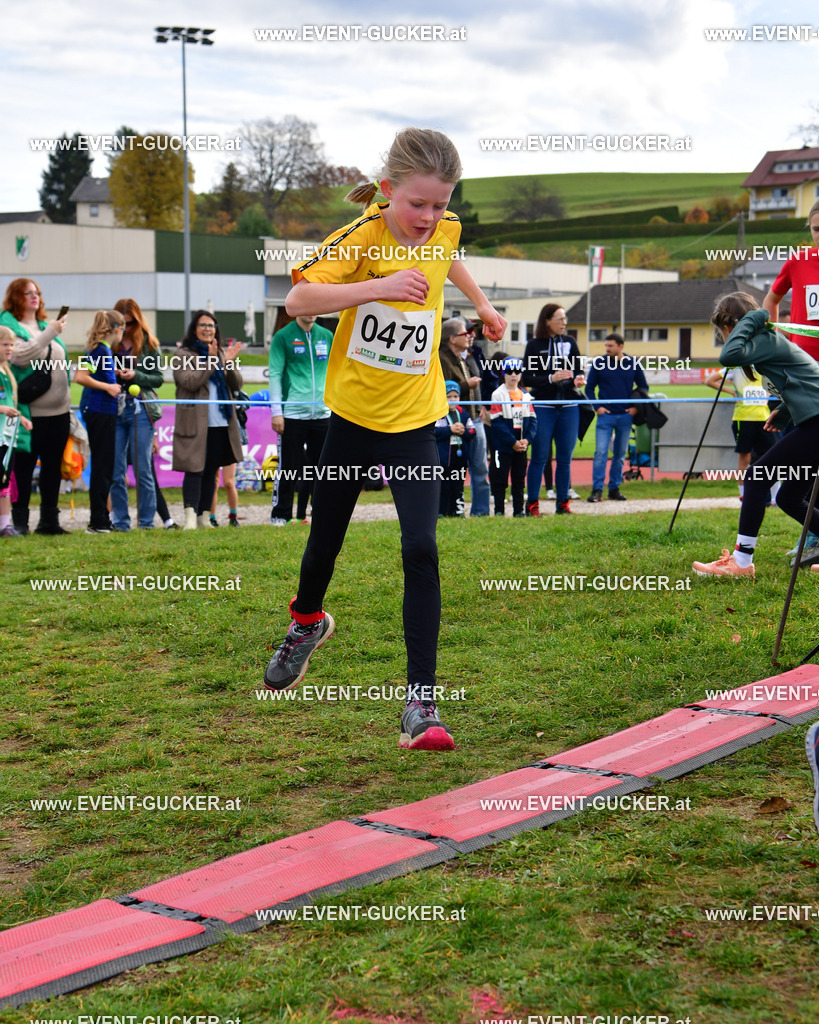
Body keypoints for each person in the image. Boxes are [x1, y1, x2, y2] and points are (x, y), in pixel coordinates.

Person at [262, 127, 506, 751]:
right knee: (325, 539)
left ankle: (421, 704)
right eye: (417, 203)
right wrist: (378, 286)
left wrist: (482, 305)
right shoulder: (364, 236)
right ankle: (306, 622)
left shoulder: (444, 229)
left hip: (415, 422)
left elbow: (448, 255)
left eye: (441, 204)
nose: (429, 217)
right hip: (352, 418)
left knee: (421, 548)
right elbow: (297, 299)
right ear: (387, 189)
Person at [693, 292, 819, 578]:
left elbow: (728, 356)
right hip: (812, 420)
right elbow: (806, 378)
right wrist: (785, 411)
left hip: (816, 423)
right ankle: (742, 561)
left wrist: (753, 317)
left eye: (722, 332)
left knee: (756, 475)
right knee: (788, 498)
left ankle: (741, 562)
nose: (724, 338)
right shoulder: (767, 343)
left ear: (729, 327)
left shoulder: (763, 339)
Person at [763, 200, 819, 561]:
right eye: (816, 229)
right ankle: (813, 534)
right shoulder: (798, 261)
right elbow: (771, 299)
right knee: (802, 458)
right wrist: (776, 339)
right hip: (800, 375)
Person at [0, 279, 70, 535]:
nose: (34, 296)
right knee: (24, 468)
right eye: (27, 293)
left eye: (37, 292)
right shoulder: (9, 326)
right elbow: (18, 357)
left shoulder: (43, 325)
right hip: (30, 412)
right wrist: (50, 332)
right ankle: (20, 521)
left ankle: (49, 520)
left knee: (53, 467)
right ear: (15, 297)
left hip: (59, 412)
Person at [173, 310, 244, 530]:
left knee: (211, 471)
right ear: (194, 329)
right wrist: (212, 361)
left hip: (220, 422)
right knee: (194, 470)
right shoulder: (182, 354)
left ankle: (204, 518)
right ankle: (190, 518)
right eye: (203, 325)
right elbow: (190, 382)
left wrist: (228, 363)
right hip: (194, 422)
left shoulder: (220, 353)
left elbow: (237, 385)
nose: (207, 329)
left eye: (211, 325)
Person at [269, 314, 334, 525]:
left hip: (323, 413)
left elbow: (336, 371)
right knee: (289, 467)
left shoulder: (326, 335)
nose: (311, 311)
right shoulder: (283, 337)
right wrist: (276, 411)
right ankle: (281, 514)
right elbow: (275, 374)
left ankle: (321, 514)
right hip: (292, 413)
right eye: (307, 306)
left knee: (323, 469)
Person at [522, 303, 586, 516]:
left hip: (569, 406)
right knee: (539, 457)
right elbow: (527, 378)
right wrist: (551, 378)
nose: (564, 323)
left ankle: (563, 504)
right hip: (543, 406)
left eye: (565, 319)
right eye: (560, 319)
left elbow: (578, 369)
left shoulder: (570, 342)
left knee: (565, 458)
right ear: (547, 321)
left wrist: (579, 378)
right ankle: (532, 505)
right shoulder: (534, 345)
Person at [109, 299, 164, 531]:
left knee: (143, 469)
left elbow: (158, 378)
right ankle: (121, 522)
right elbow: (89, 369)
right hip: (113, 409)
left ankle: (147, 522)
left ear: (138, 321)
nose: (125, 329)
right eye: (121, 324)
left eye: (130, 323)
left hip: (140, 409)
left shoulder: (149, 344)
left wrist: (136, 375)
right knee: (115, 470)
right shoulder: (107, 344)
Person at [73, 310, 124, 533]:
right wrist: (109, 386)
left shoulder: (102, 350)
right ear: (117, 329)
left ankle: (101, 518)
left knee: (105, 467)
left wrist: (112, 374)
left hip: (104, 412)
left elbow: (93, 373)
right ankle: (98, 521)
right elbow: (80, 376)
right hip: (100, 412)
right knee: (103, 467)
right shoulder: (100, 350)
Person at [584, 333, 647, 502]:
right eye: (606, 346)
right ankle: (597, 490)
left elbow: (643, 387)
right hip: (605, 416)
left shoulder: (633, 363)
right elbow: (589, 388)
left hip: (625, 416)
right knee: (600, 452)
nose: (607, 349)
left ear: (621, 346)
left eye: (610, 346)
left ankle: (614, 489)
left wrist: (635, 407)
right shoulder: (599, 363)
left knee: (619, 455)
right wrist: (597, 407)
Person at [438, 317, 490, 516]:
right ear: (452, 338)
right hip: (453, 423)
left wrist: (480, 405)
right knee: (451, 470)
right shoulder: (442, 359)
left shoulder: (464, 357)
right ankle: (448, 511)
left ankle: (481, 512)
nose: (471, 336)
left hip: (474, 419)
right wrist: (467, 386)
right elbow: (443, 390)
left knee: (480, 468)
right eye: (465, 333)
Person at [704, 363, 775, 502]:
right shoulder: (736, 368)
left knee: (773, 457)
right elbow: (710, 381)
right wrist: (731, 392)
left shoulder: (765, 365)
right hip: (743, 419)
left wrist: (770, 392)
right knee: (744, 457)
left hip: (764, 419)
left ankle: (775, 497)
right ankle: (743, 495)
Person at [489, 357, 537, 516]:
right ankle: (499, 510)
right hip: (503, 445)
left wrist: (527, 440)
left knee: (519, 479)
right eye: (510, 372)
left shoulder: (526, 395)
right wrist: (512, 442)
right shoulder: (497, 394)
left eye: (517, 371)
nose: (514, 375)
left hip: (521, 443)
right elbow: (497, 422)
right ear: (504, 374)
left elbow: (533, 420)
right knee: (500, 478)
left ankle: (518, 511)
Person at [0, 325, 33, 537]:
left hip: (7, 436)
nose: (9, 348)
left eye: (11, 345)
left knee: (5, 480)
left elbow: (10, 403)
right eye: (5, 344)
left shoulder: (7, 371)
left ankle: (4, 525)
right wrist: (2, 409)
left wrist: (20, 418)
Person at [435, 380, 474, 517]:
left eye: (455, 396)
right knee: (444, 486)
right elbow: (434, 432)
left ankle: (457, 511)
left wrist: (464, 431)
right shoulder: (438, 413)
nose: (452, 399)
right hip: (444, 459)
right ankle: (442, 511)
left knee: (458, 485)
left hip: (460, 458)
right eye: (449, 396)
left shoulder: (463, 413)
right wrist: (450, 430)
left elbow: (473, 431)